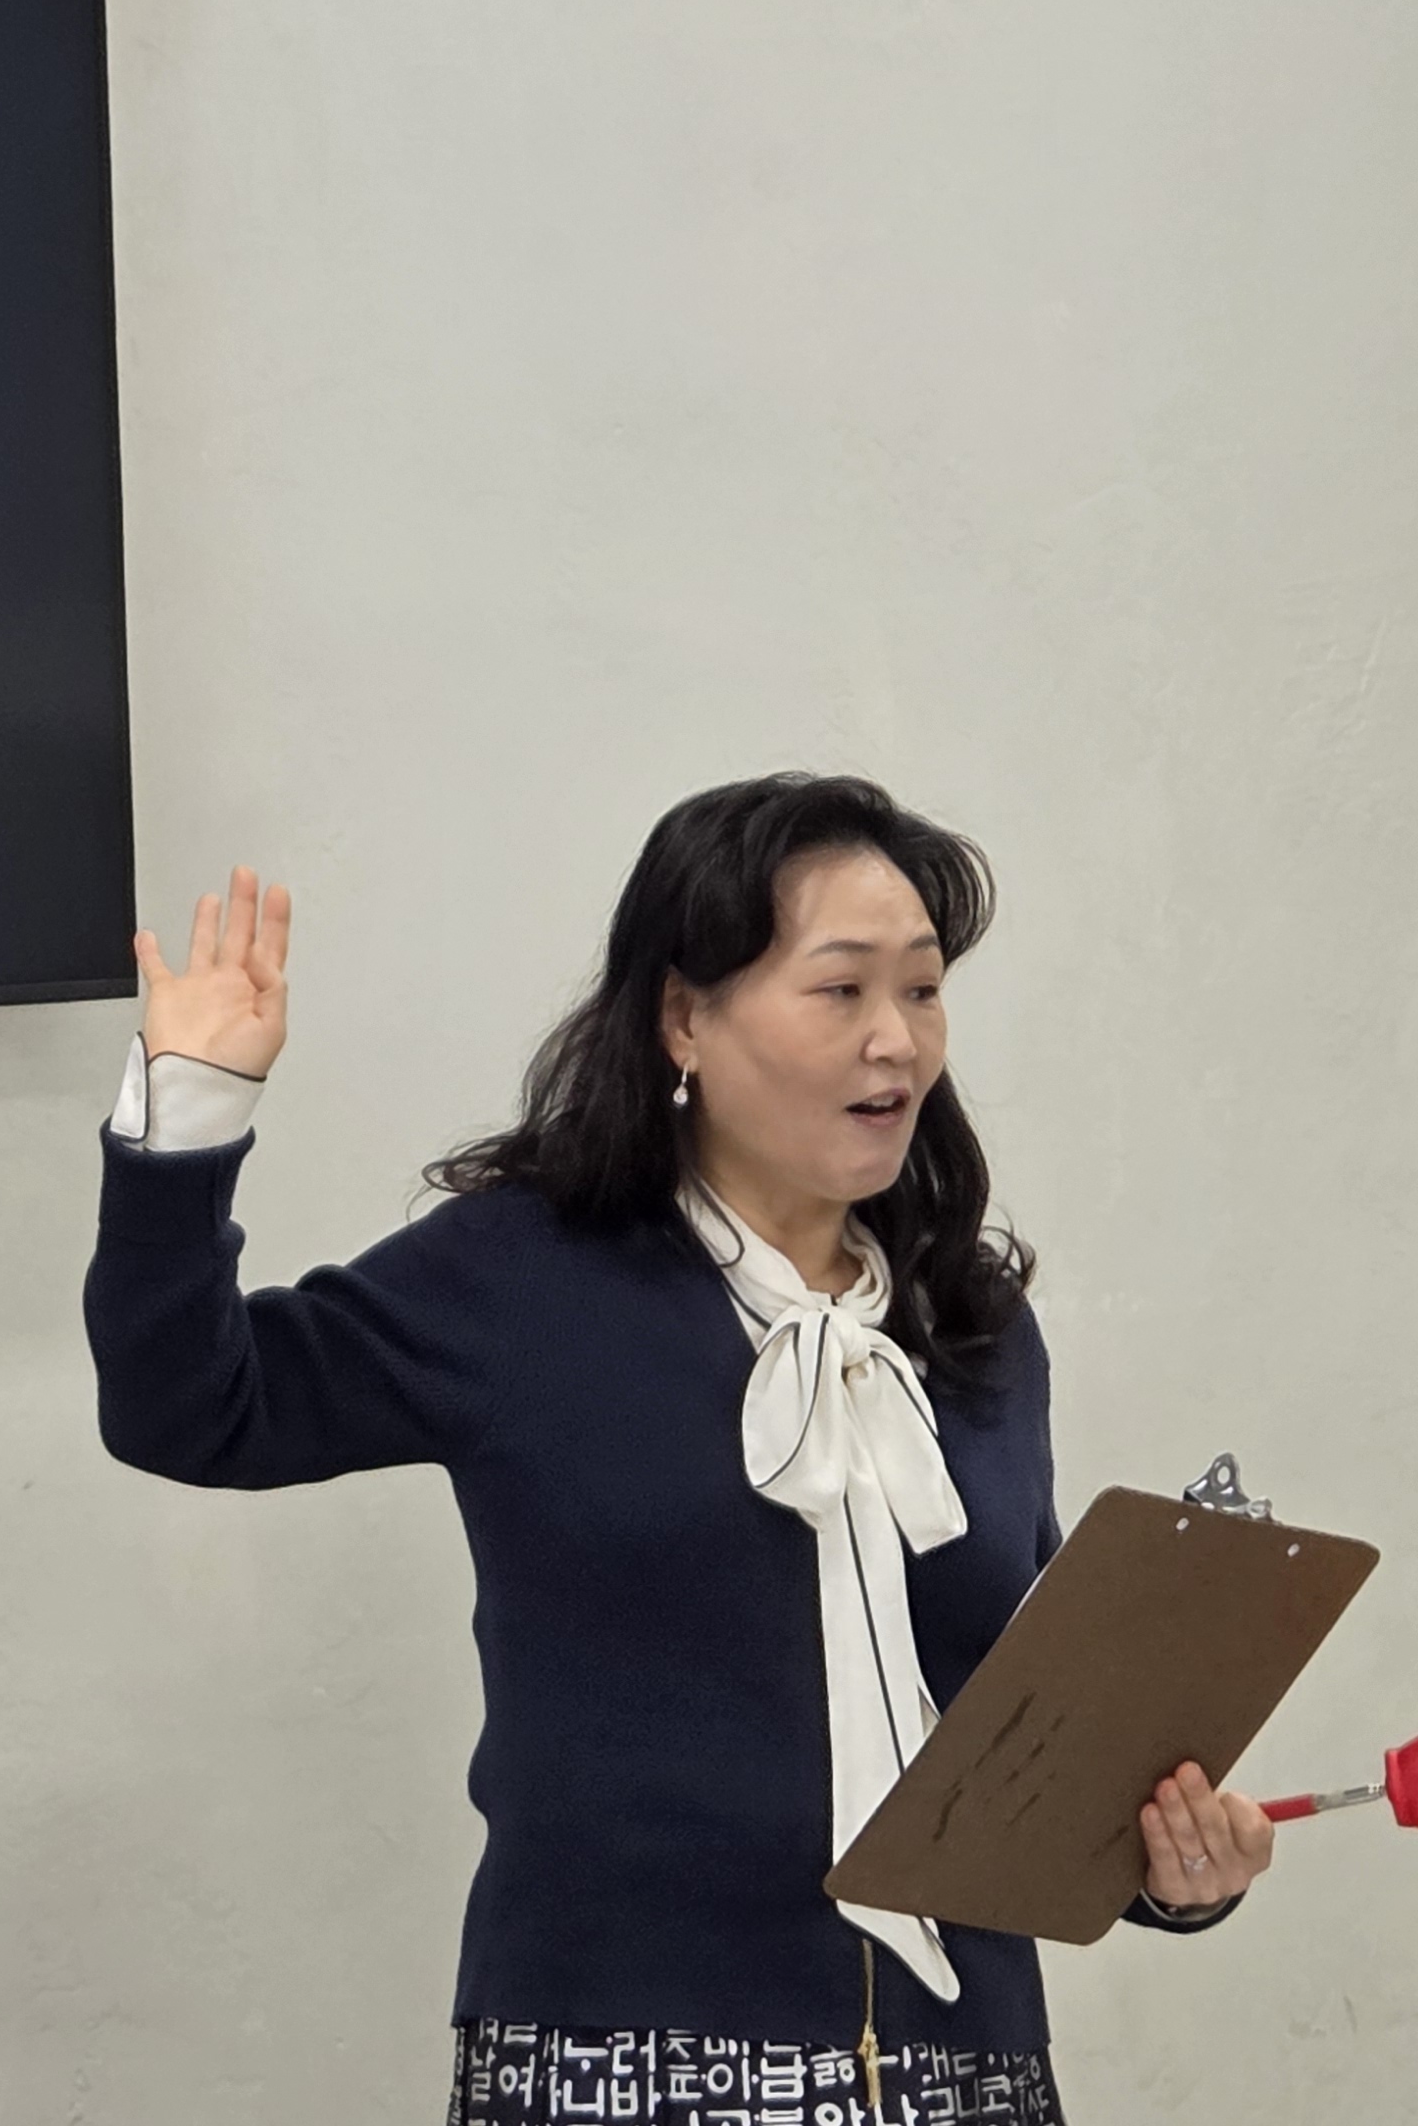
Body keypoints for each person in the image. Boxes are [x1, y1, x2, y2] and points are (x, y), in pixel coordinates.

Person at [85, 776, 1273, 2126]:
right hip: (616, 2067)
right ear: (683, 1017)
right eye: (841, 990)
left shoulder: (972, 1326)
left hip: (965, 2071)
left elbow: (1020, 1729)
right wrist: (190, 1116)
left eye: (924, 991)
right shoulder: (524, 1276)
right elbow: (188, 1405)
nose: (896, 1040)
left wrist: (1165, 1866)